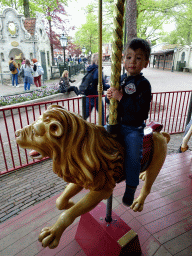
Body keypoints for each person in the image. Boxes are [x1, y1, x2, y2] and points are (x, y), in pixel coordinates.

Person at [106, 38, 152, 207]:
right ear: (123, 59)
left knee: (133, 157)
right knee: (97, 137)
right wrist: (109, 96)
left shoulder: (144, 85)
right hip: (116, 124)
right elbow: (112, 102)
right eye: (129, 57)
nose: (133, 61)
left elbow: (141, 110)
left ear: (146, 63)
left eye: (138, 58)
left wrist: (121, 97)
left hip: (133, 129)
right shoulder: (120, 79)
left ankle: (131, 187)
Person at [83, 53, 110, 126]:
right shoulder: (98, 71)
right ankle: (103, 130)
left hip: (88, 95)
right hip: (96, 95)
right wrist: (110, 86)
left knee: (85, 115)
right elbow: (103, 86)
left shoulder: (90, 69)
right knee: (102, 115)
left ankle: (79, 127)